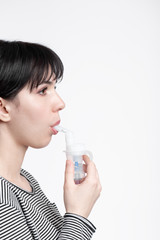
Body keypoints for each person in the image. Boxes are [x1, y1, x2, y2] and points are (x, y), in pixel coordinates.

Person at [0, 40, 102, 240]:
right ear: (3, 109)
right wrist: (78, 215)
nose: (60, 103)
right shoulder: (3, 199)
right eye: (42, 91)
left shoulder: (25, 181)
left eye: (54, 88)